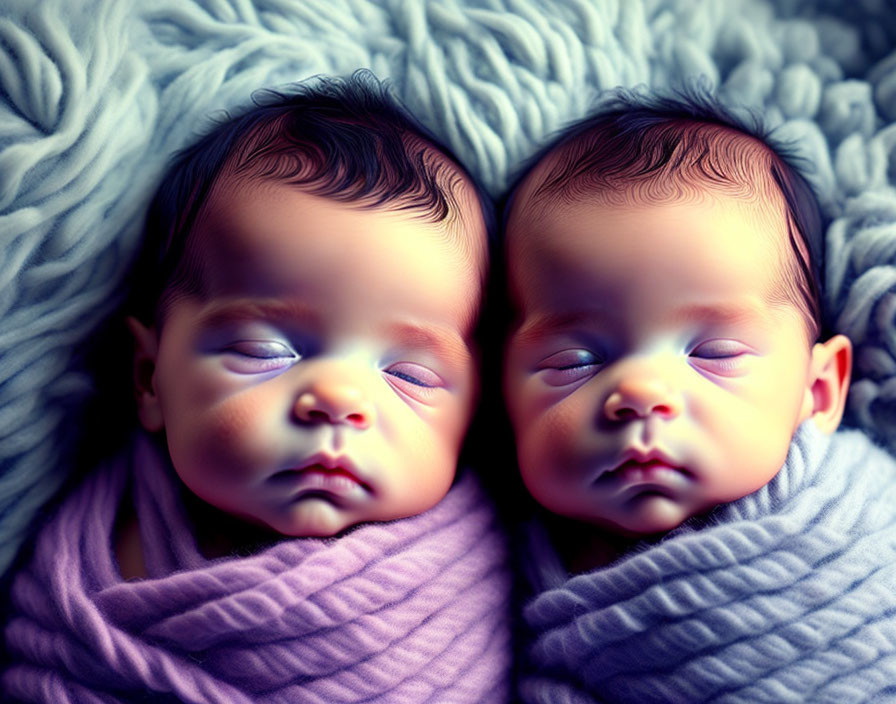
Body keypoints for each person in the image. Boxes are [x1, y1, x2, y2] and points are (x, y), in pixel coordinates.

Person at [3, 72, 510, 703]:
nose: (338, 400)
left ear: (476, 410)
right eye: (265, 352)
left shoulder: (470, 581)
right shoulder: (90, 569)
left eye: (408, 374)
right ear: (148, 379)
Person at [501, 87, 896, 702]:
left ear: (818, 391)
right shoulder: (492, 570)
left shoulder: (864, 525)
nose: (640, 393)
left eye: (712, 354)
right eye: (576, 361)